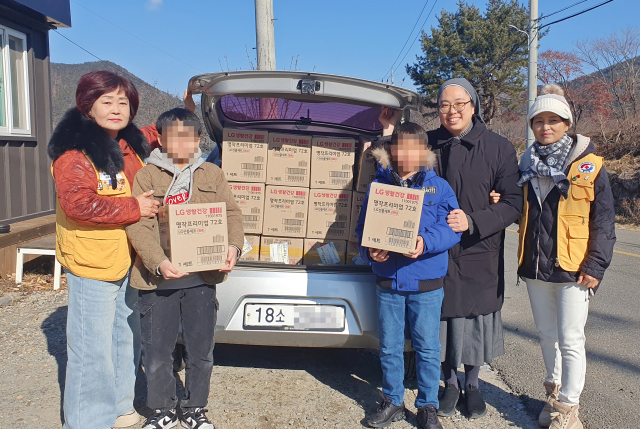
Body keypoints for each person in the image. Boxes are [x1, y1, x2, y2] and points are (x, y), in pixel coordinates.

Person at [47, 70, 159, 429]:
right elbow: (78, 204)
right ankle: (87, 421)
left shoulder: (127, 143)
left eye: (123, 102)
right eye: (106, 101)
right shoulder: (75, 153)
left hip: (128, 258)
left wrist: (188, 107)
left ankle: (120, 408)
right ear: (88, 106)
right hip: (92, 262)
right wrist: (134, 208)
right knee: (91, 349)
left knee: (126, 335)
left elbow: (152, 133)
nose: (116, 109)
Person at [126, 108, 244, 429]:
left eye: (188, 135)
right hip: (157, 280)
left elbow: (231, 214)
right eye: (173, 135)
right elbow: (139, 224)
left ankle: (194, 408)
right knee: (157, 351)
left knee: (200, 350)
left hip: (201, 280)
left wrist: (233, 247)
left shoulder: (211, 174)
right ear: (161, 139)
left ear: (197, 140)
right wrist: (159, 262)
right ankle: (161, 409)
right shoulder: (147, 175)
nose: (181, 142)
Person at [517, 85, 615, 429]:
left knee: (571, 337)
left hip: (575, 267)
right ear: (531, 125)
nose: (546, 127)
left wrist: (596, 265)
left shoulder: (590, 165)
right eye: (538, 121)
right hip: (535, 266)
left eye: (553, 120)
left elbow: (604, 220)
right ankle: (553, 394)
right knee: (546, 334)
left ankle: (569, 408)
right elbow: (524, 212)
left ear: (567, 123)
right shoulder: (526, 162)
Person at [425, 78, 523, 420]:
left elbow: (513, 202)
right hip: (435, 248)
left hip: (479, 246)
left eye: (459, 104)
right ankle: (449, 382)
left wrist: (474, 221)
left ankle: (473, 384)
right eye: (444, 105)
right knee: (442, 317)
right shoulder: (426, 144)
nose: (451, 111)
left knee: (475, 318)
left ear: (473, 106)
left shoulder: (498, 147)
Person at [355, 121, 461, 429]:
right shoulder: (379, 187)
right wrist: (370, 251)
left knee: (427, 347)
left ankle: (427, 405)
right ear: (391, 149)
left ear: (425, 151)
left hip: (426, 283)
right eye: (400, 146)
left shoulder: (439, 187)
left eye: (415, 147)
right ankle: (392, 400)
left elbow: (451, 230)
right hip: (388, 281)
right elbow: (363, 231)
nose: (406, 153)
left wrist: (426, 242)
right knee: (388, 345)